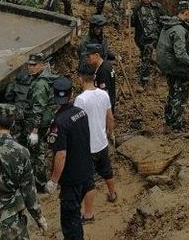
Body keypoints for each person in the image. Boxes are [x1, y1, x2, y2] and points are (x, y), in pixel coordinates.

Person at [0, 103, 47, 240]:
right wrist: (38, 217)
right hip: (13, 223)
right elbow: (28, 191)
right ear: (13, 125)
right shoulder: (21, 152)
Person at [46, 77, 94, 240]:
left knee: (70, 220)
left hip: (71, 178)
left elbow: (61, 154)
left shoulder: (59, 122)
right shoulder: (81, 113)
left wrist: (53, 180)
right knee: (75, 216)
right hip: (86, 171)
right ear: (71, 93)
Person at [74, 62, 117, 222]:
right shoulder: (104, 94)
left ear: (81, 79)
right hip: (102, 142)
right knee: (107, 170)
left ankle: (88, 213)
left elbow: (78, 125)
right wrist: (109, 133)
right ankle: (112, 194)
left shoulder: (80, 100)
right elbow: (110, 118)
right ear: (94, 77)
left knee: (88, 180)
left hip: (88, 147)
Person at [156, 1, 189, 132]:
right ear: (186, 12)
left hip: (167, 66)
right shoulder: (179, 29)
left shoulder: (168, 24)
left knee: (172, 92)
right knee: (180, 95)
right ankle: (175, 125)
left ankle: (167, 120)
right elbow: (180, 53)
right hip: (177, 68)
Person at [24, 53, 59, 192]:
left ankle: (41, 183)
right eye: (29, 65)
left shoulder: (40, 84)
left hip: (38, 124)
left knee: (38, 153)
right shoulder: (41, 79)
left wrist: (34, 130)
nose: (31, 68)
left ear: (41, 65)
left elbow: (38, 109)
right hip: (44, 121)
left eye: (34, 65)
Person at [130, 0, 164, 90]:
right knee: (145, 56)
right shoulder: (137, 8)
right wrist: (130, 16)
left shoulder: (157, 7)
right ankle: (143, 80)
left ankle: (145, 77)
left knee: (147, 57)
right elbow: (132, 24)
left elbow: (163, 20)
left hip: (156, 37)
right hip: (143, 38)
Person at [4, 70, 34, 147]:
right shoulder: (34, 84)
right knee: (29, 133)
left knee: (16, 132)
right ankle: (28, 148)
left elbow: (8, 96)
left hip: (17, 112)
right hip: (30, 113)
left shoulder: (14, 84)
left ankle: (16, 146)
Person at [83, 44, 117, 111]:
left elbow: (104, 95)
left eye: (88, 56)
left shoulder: (103, 71)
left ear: (96, 55)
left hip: (104, 109)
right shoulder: (106, 64)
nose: (87, 59)